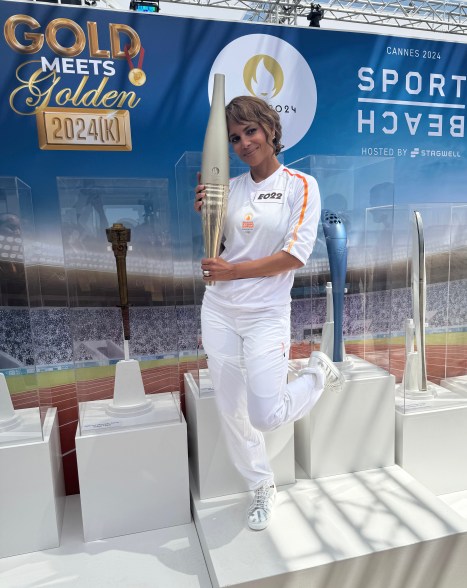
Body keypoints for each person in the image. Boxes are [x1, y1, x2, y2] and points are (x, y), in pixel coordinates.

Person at [194, 96, 344, 531]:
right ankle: (261, 485)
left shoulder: (302, 185)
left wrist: (233, 271)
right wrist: (209, 215)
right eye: (235, 138)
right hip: (220, 309)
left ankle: (318, 372)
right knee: (230, 408)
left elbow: (294, 256)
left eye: (250, 132)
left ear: (271, 131)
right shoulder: (231, 188)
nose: (244, 143)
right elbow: (220, 249)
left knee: (266, 413)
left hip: (266, 314)